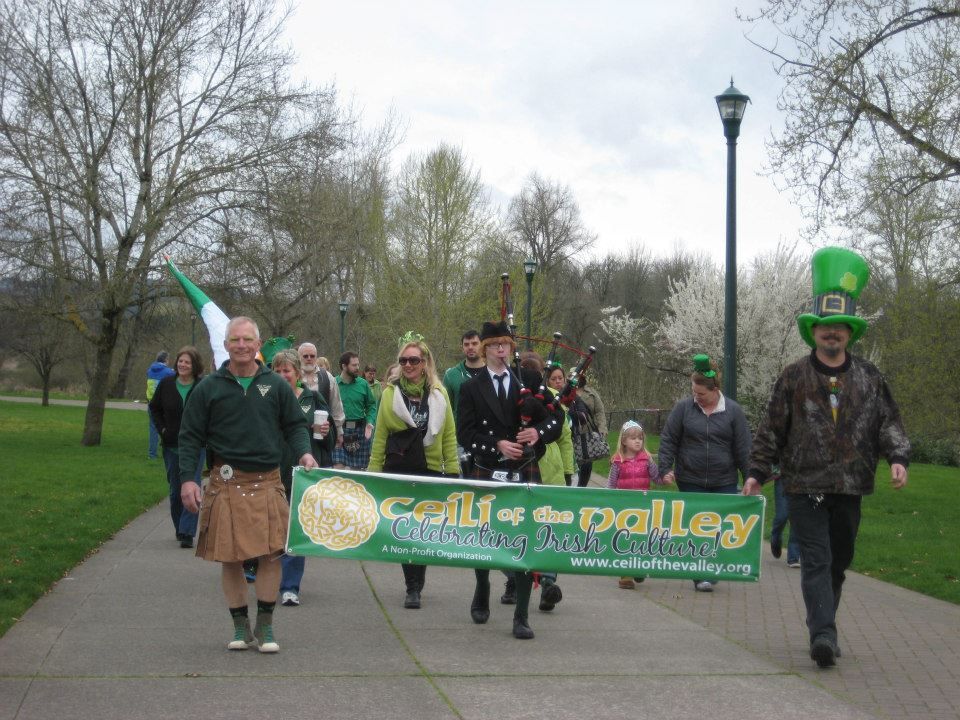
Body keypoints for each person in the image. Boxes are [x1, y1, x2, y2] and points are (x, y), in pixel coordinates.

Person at [743, 247, 909, 669]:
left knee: (839, 561)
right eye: (824, 328)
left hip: (851, 485)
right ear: (813, 332)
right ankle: (823, 635)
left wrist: (898, 457)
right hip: (803, 485)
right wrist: (757, 472)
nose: (831, 334)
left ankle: (824, 625)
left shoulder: (870, 377)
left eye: (839, 328)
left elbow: (888, 420)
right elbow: (771, 427)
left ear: (849, 332)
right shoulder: (793, 376)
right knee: (815, 560)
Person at [179, 316, 318, 654]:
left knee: (272, 556)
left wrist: (305, 454)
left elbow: (295, 426)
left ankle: (266, 625)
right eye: (234, 340)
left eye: (247, 340)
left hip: (267, 481)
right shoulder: (209, 387)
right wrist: (187, 479)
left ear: (258, 345)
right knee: (231, 559)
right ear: (225, 345)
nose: (241, 345)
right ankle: (241, 626)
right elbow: (190, 437)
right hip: (226, 483)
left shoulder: (277, 385)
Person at [457, 320, 563, 639]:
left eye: (506, 344)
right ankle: (482, 585)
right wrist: (496, 444)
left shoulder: (528, 378)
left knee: (524, 539)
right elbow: (464, 432)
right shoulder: (471, 387)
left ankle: (521, 616)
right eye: (495, 345)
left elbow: (556, 418)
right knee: (485, 536)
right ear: (485, 349)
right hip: (488, 467)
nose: (502, 350)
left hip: (524, 467)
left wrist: (537, 433)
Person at [367, 334, 459, 610]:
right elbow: (381, 434)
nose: (408, 365)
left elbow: (449, 435)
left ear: (425, 363)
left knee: (425, 530)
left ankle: (419, 579)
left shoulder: (440, 396)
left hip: (430, 469)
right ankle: (412, 587)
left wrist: (453, 471)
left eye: (414, 360)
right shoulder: (390, 394)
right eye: (404, 360)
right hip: (400, 467)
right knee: (405, 529)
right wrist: (373, 471)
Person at [657, 353, 752, 593]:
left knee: (719, 527)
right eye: (693, 393)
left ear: (715, 390)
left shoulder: (733, 411)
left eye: (701, 394)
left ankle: (712, 567)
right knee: (696, 527)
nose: (696, 398)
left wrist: (751, 476)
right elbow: (669, 439)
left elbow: (743, 447)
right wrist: (665, 468)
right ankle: (700, 574)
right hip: (690, 477)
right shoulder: (683, 409)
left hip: (724, 479)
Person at [270, 349, 334, 608]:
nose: (283, 375)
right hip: (272, 473)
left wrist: (325, 431)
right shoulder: (267, 399)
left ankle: (290, 587)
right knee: (271, 530)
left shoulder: (313, 398)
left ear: (297, 373)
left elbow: (328, 441)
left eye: (287, 370)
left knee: (295, 532)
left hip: (301, 474)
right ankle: (265, 573)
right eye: (278, 371)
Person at [149, 346, 205, 548]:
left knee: (193, 486)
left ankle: (187, 532)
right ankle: (179, 526)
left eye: (187, 362)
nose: (182, 365)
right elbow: (154, 407)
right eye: (180, 361)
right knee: (175, 491)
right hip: (172, 445)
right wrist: (162, 429)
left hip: (196, 445)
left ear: (194, 366)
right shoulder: (166, 384)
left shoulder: (202, 386)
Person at [606, 421, 668, 588]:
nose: (638, 441)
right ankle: (626, 576)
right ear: (624, 440)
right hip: (624, 507)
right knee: (625, 539)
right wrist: (608, 501)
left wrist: (665, 479)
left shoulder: (647, 460)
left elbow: (656, 477)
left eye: (640, 438)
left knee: (641, 538)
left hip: (643, 506)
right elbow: (611, 484)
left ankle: (639, 568)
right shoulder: (618, 461)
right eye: (633, 438)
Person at [333, 351, 377, 471]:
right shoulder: (333, 383)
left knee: (357, 471)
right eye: (354, 365)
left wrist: (369, 422)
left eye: (358, 364)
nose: (358, 368)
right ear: (344, 366)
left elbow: (371, 406)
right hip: (339, 430)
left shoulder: (363, 384)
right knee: (338, 467)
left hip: (360, 430)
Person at [298, 342, 345, 442]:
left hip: (322, 436)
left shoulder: (328, 377)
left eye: (312, 356)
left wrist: (338, 432)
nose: (309, 358)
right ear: (299, 357)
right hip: (298, 434)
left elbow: (336, 406)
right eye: (305, 356)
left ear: (316, 357)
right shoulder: (293, 376)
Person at [570, 375, 608, 486]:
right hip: (571, 432)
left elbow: (599, 411)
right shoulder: (567, 391)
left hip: (588, 433)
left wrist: (602, 427)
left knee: (587, 461)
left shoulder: (592, 393)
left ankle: (582, 487)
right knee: (573, 461)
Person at [146, 351, 174, 459]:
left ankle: (152, 454)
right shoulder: (168, 372)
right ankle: (167, 450)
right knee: (167, 428)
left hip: (151, 403)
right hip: (164, 403)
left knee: (153, 428)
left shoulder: (149, 370)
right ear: (166, 360)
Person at [771, 472, 801, 568]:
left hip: (804, 479)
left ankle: (793, 557)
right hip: (783, 478)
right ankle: (775, 538)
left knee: (797, 518)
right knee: (782, 515)